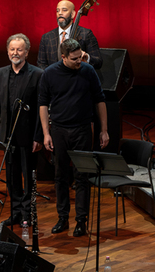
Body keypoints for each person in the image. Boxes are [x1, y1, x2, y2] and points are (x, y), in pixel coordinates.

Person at [39, 38, 108, 237]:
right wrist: (46, 133)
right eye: (75, 59)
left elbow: (100, 100)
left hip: (82, 130)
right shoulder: (50, 73)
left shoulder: (88, 71)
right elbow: (43, 104)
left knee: (82, 177)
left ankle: (81, 221)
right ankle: (62, 218)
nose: (79, 61)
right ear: (63, 57)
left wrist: (104, 130)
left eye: (80, 57)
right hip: (59, 130)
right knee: (60, 176)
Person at [0, 34, 43, 227]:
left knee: (28, 176)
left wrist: (38, 136)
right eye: (12, 49)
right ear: (7, 51)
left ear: (27, 52)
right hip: (8, 135)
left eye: (19, 49)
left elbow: (41, 108)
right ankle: (15, 212)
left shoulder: (37, 74)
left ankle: (27, 214)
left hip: (28, 135)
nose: (15, 53)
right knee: (12, 177)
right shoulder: (1, 73)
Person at [37, 0, 103, 71]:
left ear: (73, 14)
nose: (60, 13)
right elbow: (41, 64)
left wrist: (87, 57)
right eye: (57, 10)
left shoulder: (86, 34)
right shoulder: (46, 37)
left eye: (64, 10)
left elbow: (98, 62)